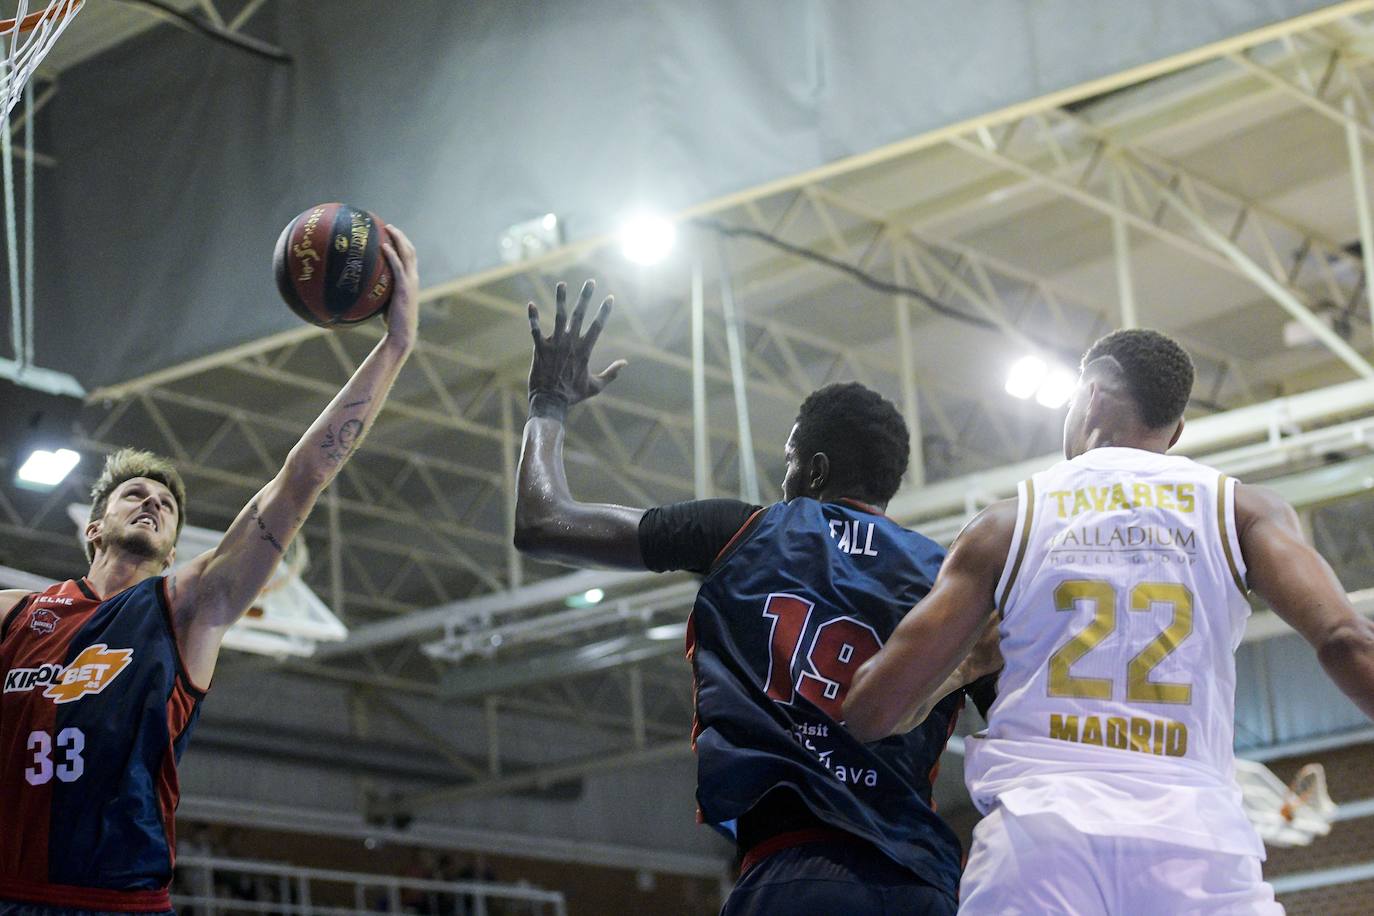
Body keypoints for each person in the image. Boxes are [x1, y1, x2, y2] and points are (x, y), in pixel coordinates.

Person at [844, 328, 1374, 914]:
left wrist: (966, 663)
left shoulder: (1005, 525)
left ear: (1091, 396)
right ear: (1174, 433)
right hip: (1196, 845)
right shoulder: (1243, 509)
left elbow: (871, 712)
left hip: (1040, 844)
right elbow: (1347, 640)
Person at [513, 279, 994, 915]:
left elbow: (544, 522)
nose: (784, 476)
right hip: (920, 883)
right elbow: (1026, 729)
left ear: (813, 469)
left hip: (791, 873)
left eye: (790, 460)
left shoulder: (741, 530)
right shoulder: (950, 583)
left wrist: (549, 402)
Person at [0, 227, 422, 915]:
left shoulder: (185, 609)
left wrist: (395, 345)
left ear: (172, 550)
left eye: (165, 503)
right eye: (134, 495)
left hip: (117, 904)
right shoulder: (15, 614)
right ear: (93, 526)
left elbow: (299, 480)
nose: (152, 502)